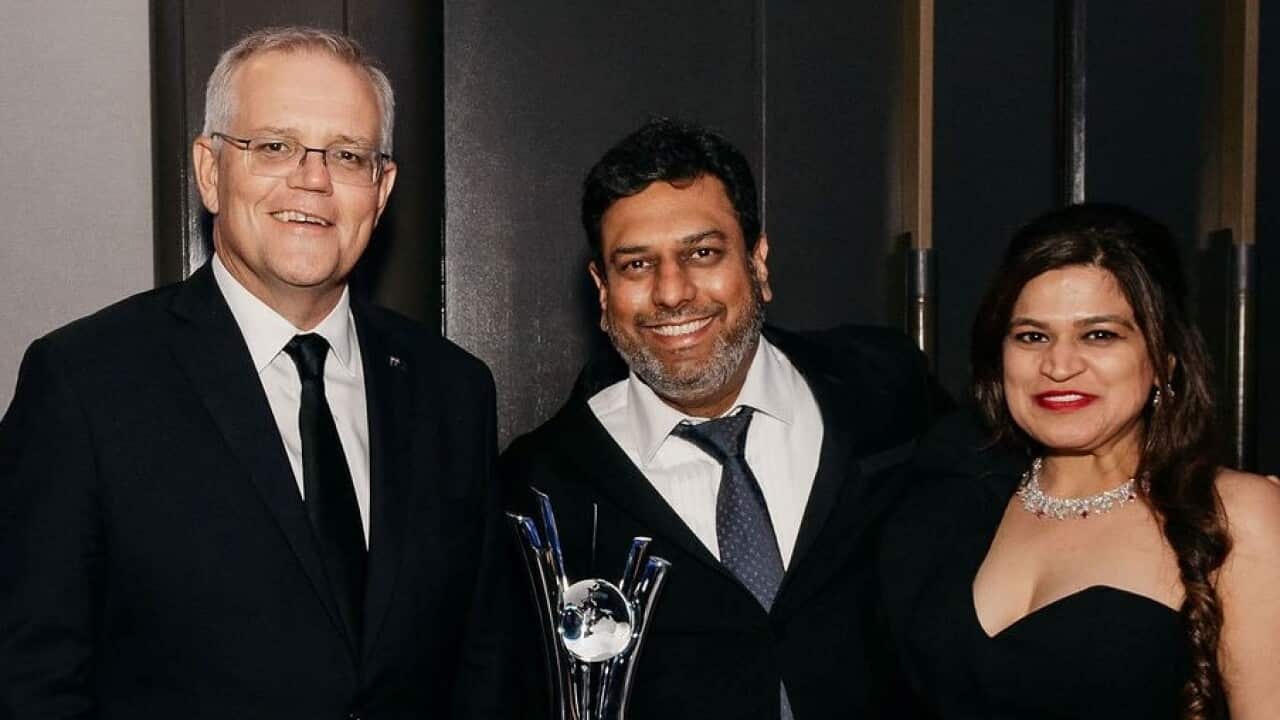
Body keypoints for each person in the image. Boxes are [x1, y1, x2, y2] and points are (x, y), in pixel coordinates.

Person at [0, 27, 504, 718]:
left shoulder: (453, 391)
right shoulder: (85, 383)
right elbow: (29, 679)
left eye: (347, 155)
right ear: (210, 172)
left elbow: (484, 666)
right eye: (274, 146)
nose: (313, 180)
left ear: (381, 189)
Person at [501, 117, 943, 718]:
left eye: (702, 253)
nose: (672, 292)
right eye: (636, 265)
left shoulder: (884, 389)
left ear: (758, 262)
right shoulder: (540, 486)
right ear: (602, 290)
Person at [880, 204, 1280, 719]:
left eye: (1099, 334)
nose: (1059, 365)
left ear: (1164, 362)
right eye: (1032, 336)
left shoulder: (1236, 514)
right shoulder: (956, 499)